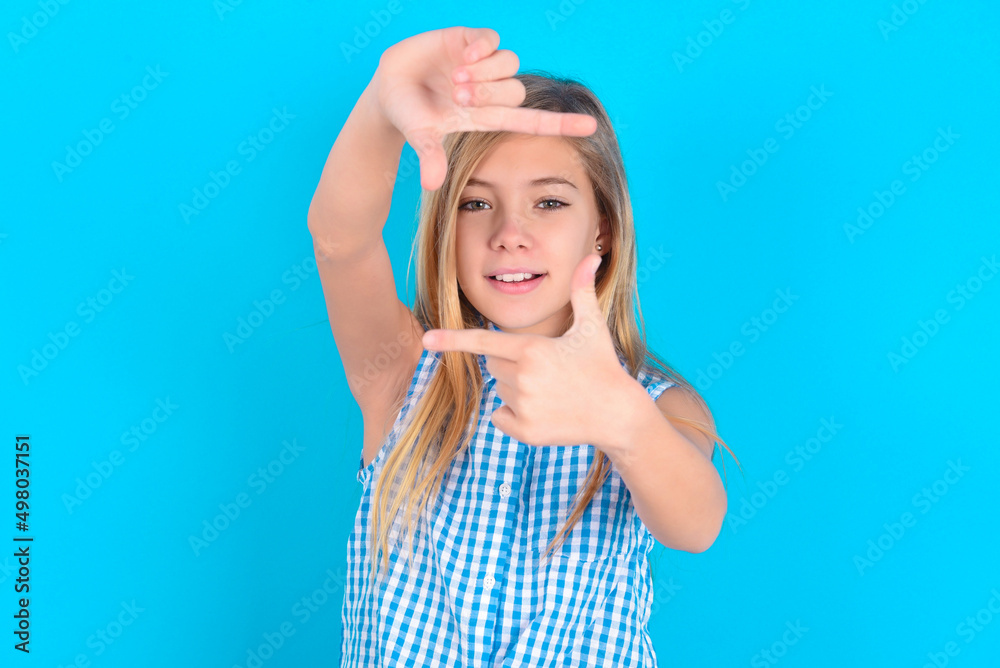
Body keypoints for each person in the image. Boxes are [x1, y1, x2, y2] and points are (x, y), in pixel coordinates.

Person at [307, 25, 740, 668]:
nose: (510, 232)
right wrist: (380, 105)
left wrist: (620, 419)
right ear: (445, 231)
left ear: (603, 233)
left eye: (548, 202)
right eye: (477, 203)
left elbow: (695, 524)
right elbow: (341, 242)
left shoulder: (655, 405)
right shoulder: (404, 372)